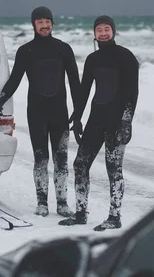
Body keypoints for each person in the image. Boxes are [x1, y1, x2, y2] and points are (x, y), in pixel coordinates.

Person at [0, 6, 80, 217]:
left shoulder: (64, 49)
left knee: (61, 158)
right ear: (34, 25)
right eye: (40, 22)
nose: (45, 25)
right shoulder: (26, 51)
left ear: (52, 23)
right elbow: (15, 79)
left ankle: (62, 203)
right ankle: (42, 202)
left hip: (60, 112)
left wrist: (78, 114)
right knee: (40, 158)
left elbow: (75, 83)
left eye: (48, 21)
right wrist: (0, 100)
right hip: (37, 114)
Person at [59, 15, 139, 231]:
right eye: (99, 30)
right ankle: (81, 213)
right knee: (80, 164)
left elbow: (132, 93)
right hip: (96, 119)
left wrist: (126, 122)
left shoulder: (126, 57)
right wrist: (77, 118)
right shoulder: (92, 60)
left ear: (113, 31)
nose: (103, 33)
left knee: (114, 169)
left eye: (107, 29)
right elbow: (84, 91)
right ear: (94, 33)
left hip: (116, 122)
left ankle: (115, 217)